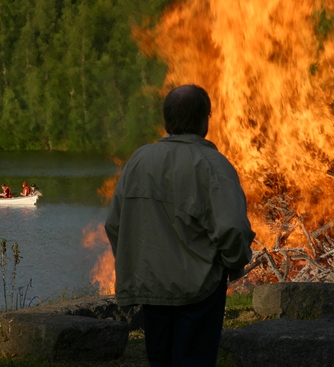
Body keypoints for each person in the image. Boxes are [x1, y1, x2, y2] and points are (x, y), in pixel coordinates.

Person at [105, 84, 255, 367]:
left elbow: (115, 224)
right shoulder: (213, 164)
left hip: (152, 289)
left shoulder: (139, 160)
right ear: (204, 120)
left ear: (167, 120)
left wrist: (139, 265)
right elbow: (233, 229)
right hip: (198, 290)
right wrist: (230, 266)